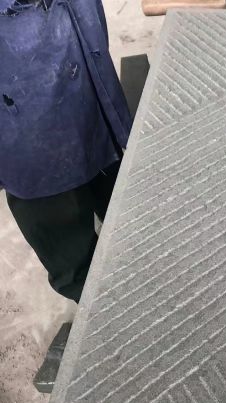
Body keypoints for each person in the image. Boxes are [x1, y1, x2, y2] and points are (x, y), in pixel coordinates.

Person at [0, 0, 132, 303]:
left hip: (79, 50)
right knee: (71, 248)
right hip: (22, 112)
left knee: (119, 198)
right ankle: (104, 310)